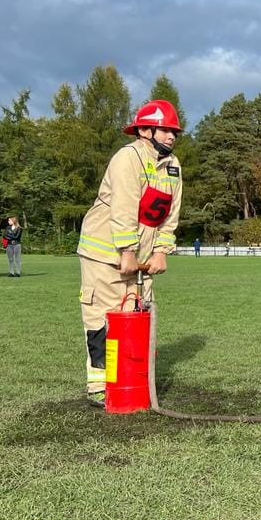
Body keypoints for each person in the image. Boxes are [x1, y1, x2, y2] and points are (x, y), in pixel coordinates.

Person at [77, 99, 183, 406]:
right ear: (145, 130)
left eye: (174, 131)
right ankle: (100, 383)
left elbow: (169, 213)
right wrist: (126, 251)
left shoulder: (173, 166)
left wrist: (162, 250)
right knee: (102, 317)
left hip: (143, 258)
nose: (171, 137)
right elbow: (124, 207)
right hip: (103, 253)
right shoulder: (128, 158)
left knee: (138, 314)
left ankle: (131, 381)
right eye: (165, 130)